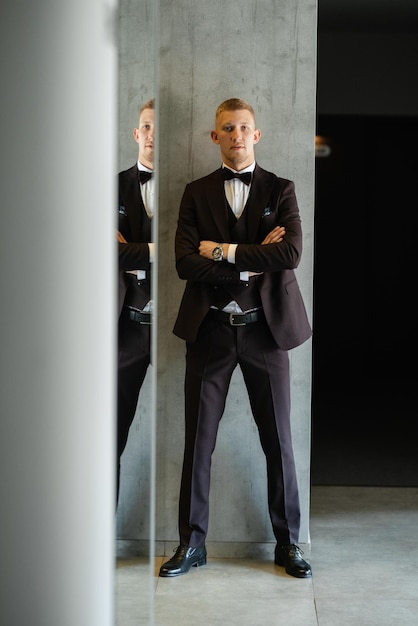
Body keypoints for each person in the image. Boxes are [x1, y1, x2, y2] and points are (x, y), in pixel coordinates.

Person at [159, 97, 312, 579]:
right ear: (215, 136)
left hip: (266, 332)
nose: (237, 135)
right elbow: (185, 263)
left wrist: (224, 252)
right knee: (198, 441)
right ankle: (191, 544)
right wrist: (252, 255)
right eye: (228, 128)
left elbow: (289, 253)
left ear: (257, 134)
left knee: (279, 442)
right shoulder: (195, 192)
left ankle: (288, 544)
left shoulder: (281, 188)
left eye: (245, 127)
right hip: (209, 333)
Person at [116, 98, 155, 506]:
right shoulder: (111, 186)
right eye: (146, 126)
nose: (152, 134)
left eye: (159, 127)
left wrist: (134, 250)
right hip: (125, 328)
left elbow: (190, 255)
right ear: (136, 132)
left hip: (177, 329)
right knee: (109, 437)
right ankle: (98, 539)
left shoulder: (188, 189)